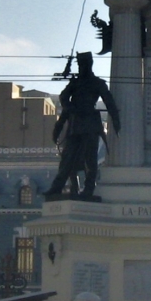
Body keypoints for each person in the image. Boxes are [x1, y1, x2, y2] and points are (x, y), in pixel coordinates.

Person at [46, 53, 121, 199]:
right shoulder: (75, 83)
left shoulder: (97, 83)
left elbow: (109, 101)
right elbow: (63, 97)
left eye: (84, 64)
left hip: (91, 124)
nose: (82, 67)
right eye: (80, 65)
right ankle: (57, 187)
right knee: (67, 157)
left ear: (90, 64)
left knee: (90, 160)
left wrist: (116, 119)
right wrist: (68, 109)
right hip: (76, 124)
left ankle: (88, 189)